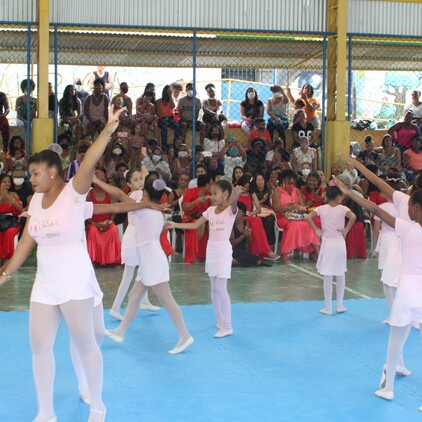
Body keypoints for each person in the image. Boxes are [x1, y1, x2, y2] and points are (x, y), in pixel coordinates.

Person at [0, 107, 128, 421]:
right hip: (46, 282)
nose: (29, 179)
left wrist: (108, 130)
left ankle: (97, 404)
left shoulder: (73, 193)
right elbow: (27, 244)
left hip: (74, 279)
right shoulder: (33, 203)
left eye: (35, 173)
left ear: (53, 172)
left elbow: (89, 163)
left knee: (86, 344)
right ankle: (46, 412)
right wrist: (4, 274)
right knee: (39, 347)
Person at [333, 176, 419, 405]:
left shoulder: (408, 228)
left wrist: (349, 193)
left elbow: (374, 209)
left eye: (410, 206)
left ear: (417, 208)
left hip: (408, 290)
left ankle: (388, 387)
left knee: (395, 340)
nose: (406, 208)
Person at [105, 179, 194, 353]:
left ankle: (184, 336)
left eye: (143, 192)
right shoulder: (152, 210)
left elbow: (120, 195)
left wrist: (96, 181)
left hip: (152, 259)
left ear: (146, 195)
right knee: (134, 295)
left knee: (166, 300)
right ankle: (120, 331)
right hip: (148, 258)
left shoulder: (144, 210)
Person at [168, 181, 242, 337]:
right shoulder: (209, 210)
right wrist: (174, 224)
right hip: (212, 250)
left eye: (215, 194)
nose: (211, 196)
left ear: (225, 195)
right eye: (212, 193)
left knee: (221, 288)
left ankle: (227, 326)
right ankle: (220, 320)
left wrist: (235, 196)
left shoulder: (230, 211)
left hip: (223, 251)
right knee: (214, 288)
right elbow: (195, 226)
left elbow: (234, 204)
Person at [306, 186, 356, 315]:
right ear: (338, 197)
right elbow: (353, 217)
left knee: (327, 275)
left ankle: (328, 307)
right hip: (339, 243)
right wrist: (346, 229)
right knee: (340, 274)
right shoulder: (343, 209)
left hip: (328, 244)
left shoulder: (321, 208)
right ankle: (339, 305)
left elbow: (308, 217)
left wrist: (316, 230)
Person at [272, 169, 320, 263]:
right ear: (283, 181)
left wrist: (300, 207)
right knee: (293, 225)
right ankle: (285, 253)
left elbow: (303, 206)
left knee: (309, 224)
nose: (291, 185)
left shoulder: (296, 190)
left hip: (297, 216)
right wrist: (289, 208)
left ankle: (317, 251)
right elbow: (276, 208)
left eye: (293, 183)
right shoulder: (277, 191)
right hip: (283, 217)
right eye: (288, 182)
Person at [237, 175, 279, 259]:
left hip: (248, 215)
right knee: (256, 221)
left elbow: (258, 210)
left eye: (248, 187)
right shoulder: (235, 193)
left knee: (257, 221)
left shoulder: (251, 193)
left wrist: (250, 213)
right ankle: (266, 251)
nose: (245, 189)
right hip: (238, 216)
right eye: (244, 187)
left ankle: (262, 250)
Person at [85, 169, 121, 266]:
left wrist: (109, 222)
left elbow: (114, 210)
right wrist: (93, 223)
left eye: (103, 180)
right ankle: (94, 259)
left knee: (113, 229)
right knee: (92, 230)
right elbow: (85, 212)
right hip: (93, 223)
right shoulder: (89, 194)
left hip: (107, 222)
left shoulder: (109, 193)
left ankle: (112, 259)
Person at [182, 174, 212, 263]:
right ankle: (193, 253)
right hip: (190, 218)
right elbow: (185, 208)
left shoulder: (209, 194)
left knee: (213, 226)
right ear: (206, 185)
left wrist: (212, 200)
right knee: (200, 225)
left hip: (205, 218)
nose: (211, 186)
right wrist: (197, 201)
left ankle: (209, 254)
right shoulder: (190, 192)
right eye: (210, 184)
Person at [0, 174, 23, 265]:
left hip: (11, 222)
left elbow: (20, 209)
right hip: (1, 221)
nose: (7, 183)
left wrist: (8, 197)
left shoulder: (13, 194)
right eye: (4, 181)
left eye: (9, 181)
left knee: (9, 232)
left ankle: (5, 257)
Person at [156, 85, 182, 151]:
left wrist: (170, 95)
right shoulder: (159, 101)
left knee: (177, 126)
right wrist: (162, 119)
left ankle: (176, 144)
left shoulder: (171, 100)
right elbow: (158, 113)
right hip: (161, 118)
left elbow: (173, 106)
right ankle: (164, 146)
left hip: (170, 118)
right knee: (164, 128)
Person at [15, 79, 37, 144]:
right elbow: (18, 113)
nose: (29, 90)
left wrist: (29, 120)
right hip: (20, 119)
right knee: (21, 126)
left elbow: (33, 112)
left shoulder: (35, 100)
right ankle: (22, 146)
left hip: (31, 119)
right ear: (23, 89)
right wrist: (24, 121)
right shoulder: (19, 99)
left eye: (30, 88)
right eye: (26, 88)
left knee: (31, 127)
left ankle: (30, 147)